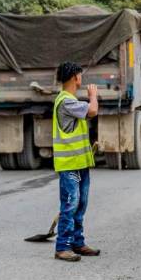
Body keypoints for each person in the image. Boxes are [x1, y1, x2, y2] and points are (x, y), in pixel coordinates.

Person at [51, 61, 100, 262]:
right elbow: (93, 111)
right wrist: (93, 96)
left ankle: (77, 243)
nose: (82, 79)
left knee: (80, 204)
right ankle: (62, 247)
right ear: (75, 78)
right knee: (71, 205)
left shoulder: (70, 100)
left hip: (80, 163)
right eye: (80, 75)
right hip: (70, 165)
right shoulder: (65, 101)